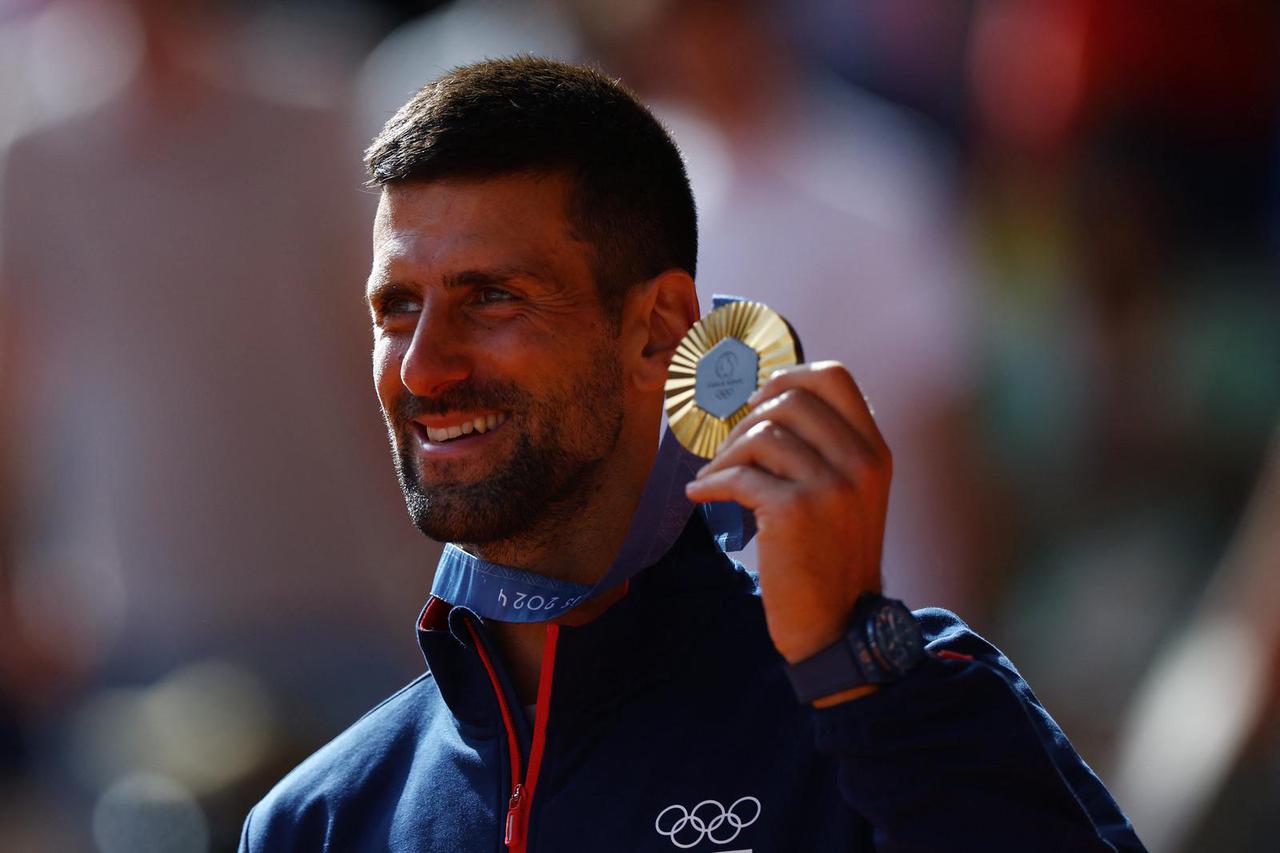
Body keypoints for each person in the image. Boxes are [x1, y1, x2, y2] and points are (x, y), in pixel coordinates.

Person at [240, 57, 1145, 852]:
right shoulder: (318, 821)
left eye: (492, 298)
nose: (426, 368)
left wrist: (856, 672)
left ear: (659, 330)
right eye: (397, 308)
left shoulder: (892, 704)